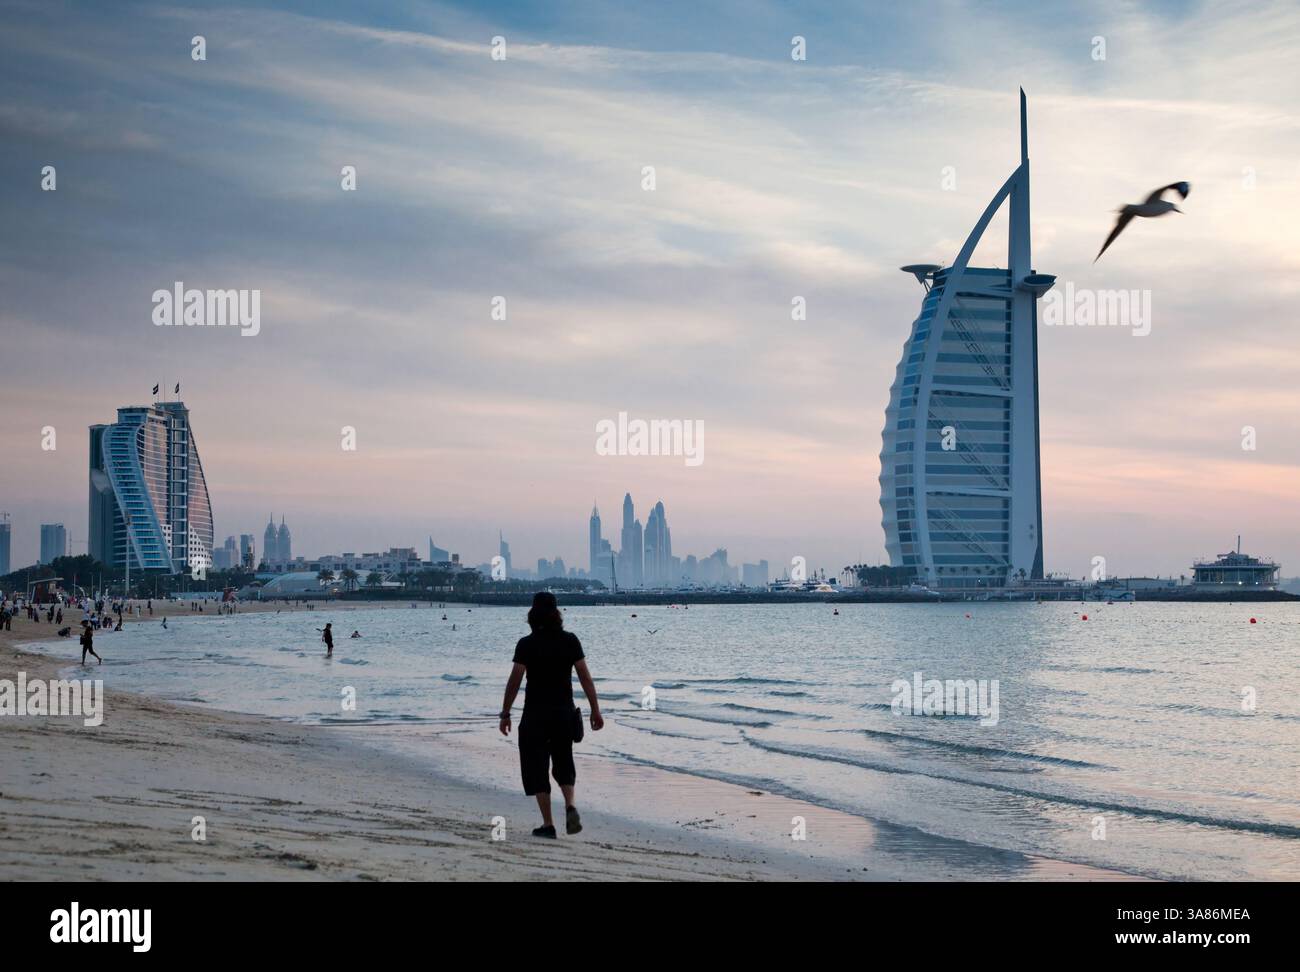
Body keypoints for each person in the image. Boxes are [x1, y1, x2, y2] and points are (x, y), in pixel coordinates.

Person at [498, 592, 602, 838]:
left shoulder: (526, 644)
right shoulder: (570, 641)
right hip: (564, 714)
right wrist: (595, 709)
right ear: (557, 614)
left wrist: (505, 713)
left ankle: (548, 824)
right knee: (564, 762)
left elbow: (514, 681)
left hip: (535, 715)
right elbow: (585, 676)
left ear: (532, 615)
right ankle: (570, 805)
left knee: (537, 768)